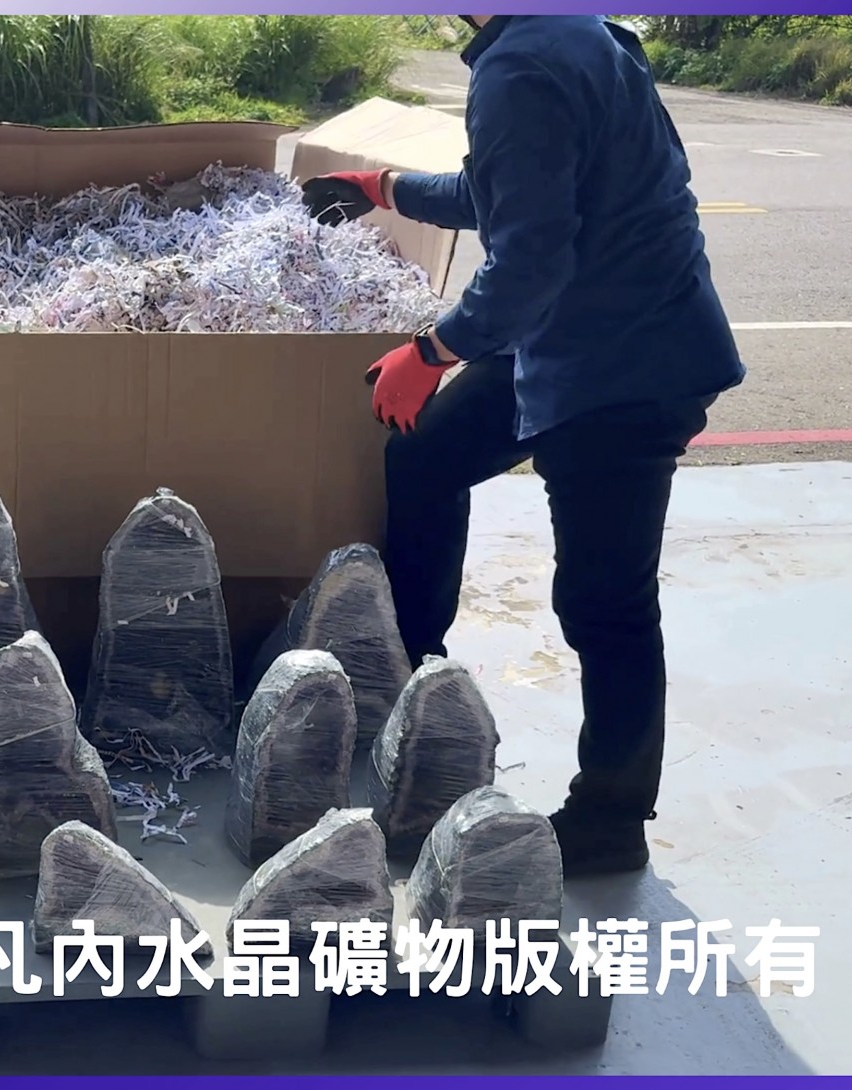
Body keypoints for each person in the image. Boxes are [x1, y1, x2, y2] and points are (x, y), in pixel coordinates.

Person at [301, 15, 746, 876]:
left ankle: (610, 818)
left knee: (605, 601)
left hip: (627, 365)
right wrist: (383, 187)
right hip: (570, 332)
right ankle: (412, 674)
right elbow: (506, 191)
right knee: (424, 455)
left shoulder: (520, 69)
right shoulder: (575, 33)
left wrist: (432, 351)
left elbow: (530, 262)